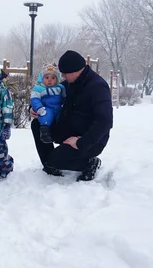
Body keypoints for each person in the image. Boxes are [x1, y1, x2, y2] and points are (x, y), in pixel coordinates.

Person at [30, 50, 113, 182]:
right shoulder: (69, 83)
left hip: (91, 139)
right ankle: (50, 165)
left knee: (56, 159)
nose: (62, 76)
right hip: (69, 129)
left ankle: (90, 164)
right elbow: (47, 94)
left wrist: (81, 142)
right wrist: (34, 109)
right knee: (37, 124)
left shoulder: (98, 87)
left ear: (76, 70)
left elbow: (105, 121)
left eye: (65, 73)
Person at [30, 63, 65, 144]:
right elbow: (35, 99)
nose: (49, 80)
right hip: (46, 107)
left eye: (53, 78)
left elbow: (65, 97)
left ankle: (61, 131)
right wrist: (38, 108)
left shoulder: (60, 88)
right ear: (42, 78)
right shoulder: (39, 88)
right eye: (46, 78)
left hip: (58, 107)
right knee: (46, 115)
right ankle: (45, 131)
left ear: (57, 79)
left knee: (62, 117)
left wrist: (64, 104)